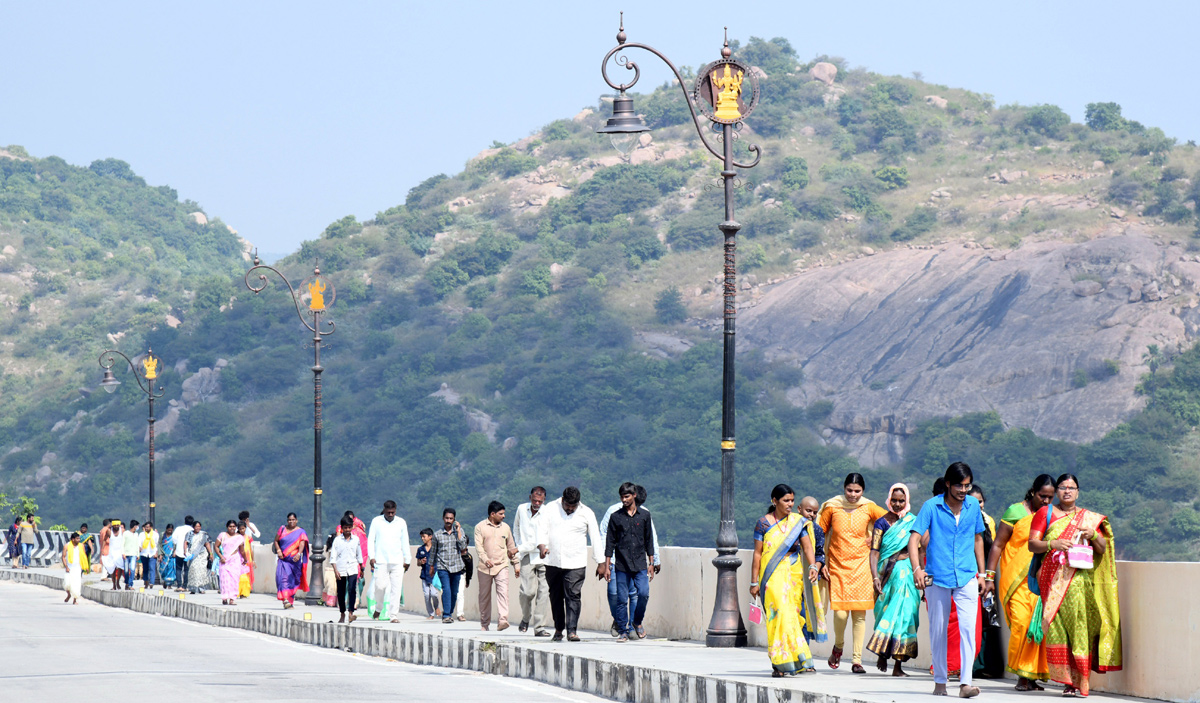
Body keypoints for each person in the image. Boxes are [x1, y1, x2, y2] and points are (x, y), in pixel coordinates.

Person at [1028, 474, 1122, 697]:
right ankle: (1069, 682)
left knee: (1080, 629)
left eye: (1071, 488)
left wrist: (1093, 535)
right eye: (1062, 487)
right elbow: (1033, 544)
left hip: (1079, 582)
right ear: (1057, 491)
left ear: (1078, 492)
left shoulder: (1088, 519)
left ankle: (1083, 680)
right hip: (1052, 581)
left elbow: (1102, 548)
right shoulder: (1045, 513)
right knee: (1057, 630)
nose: (1067, 491)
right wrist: (1054, 543)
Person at [909, 462, 990, 698]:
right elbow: (914, 539)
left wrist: (983, 575)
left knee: (967, 630)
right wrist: (917, 570)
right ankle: (940, 682)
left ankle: (965, 683)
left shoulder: (973, 505)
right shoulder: (931, 507)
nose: (964, 491)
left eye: (967, 486)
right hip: (938, 576)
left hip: (967, 575)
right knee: (938, 631)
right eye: (959, 486)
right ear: (947, 484)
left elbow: (978, 539)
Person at [986, 474, 1055, 690]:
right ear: (1033, 492)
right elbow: (998, 545)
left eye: (1050, 497)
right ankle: (1020, 676)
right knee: (1021, 623)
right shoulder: (1015, 512)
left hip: (1039, 580)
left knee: (1037, 627)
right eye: (1042, 496)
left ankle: (1031, 676)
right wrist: (989, 576)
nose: (1045, 501)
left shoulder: (1052, 515)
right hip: (1015, 579)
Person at [819, 473, 888, 672]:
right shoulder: (832, 507)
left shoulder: (869, 507)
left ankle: (857, 661)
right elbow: (819, 532)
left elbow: (889, 522)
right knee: (840, 614)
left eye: (857, 491)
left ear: (863, 491)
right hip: (837, 566)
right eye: (849, 490)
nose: (853, 495)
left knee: (859, 615)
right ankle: (838, 647)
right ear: (844, 489)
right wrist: (821, 561)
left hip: (862, 566)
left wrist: (874, 538)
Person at [749, 484, 819, 676]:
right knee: (778, 615)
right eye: (786, 501)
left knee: (792, 616)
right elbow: (757, 554)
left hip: (793, 575)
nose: (790, 504)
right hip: (771, 576)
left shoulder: (797, 522)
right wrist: (754, 582)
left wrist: (813, 566)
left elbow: (807, 548)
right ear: (774, 501)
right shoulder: (763, 523)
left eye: (792, 501)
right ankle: (779, 662)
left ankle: (795, 660)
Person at [536, 486, 604, 642]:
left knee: (573, 596)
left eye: (574, 507)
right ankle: (559, 629)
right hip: (553, 561)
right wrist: (541, 546)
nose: (571, 509)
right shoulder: (550, 509)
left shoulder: (587, 513)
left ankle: (572, 630)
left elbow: (595, 537)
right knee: (556, 596)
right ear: (562, 500)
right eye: (568, 506)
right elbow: (541, 530)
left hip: (576, 562)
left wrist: (600, 562)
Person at [866, 483, 921, 676]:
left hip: (907, 573)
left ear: (907, 501)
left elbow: (921, 549)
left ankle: (898, 666)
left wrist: (921, 573)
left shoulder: (914, 522)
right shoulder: (881, 523)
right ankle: (882, 652)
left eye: (901, 501)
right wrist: (875, 577)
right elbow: (874, 552)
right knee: (886, 613)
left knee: (905, 615)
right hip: (885, 574)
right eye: (894, 500)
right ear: (889, 500)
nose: (897, 504)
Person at [599, 484, 662, 638]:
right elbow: (607, 540)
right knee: (618, 596)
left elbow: (650, 539)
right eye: (622, 497)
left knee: (642, 593)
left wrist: (653, 562)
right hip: (619, 563)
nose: (624, 500)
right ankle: (622, 628)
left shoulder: (645, 515)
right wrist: (606, 564)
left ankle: (636, 622)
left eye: (627, 497)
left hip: (640, 563)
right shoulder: (614, 514)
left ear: (635, 496)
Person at [969, 486, 1004, 680]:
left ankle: (987, 664)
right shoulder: (963, 520)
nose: (978, 505)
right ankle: (973, 665)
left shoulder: (989, 520)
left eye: (980, 501)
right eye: (973, 501)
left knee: (987, 619)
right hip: (969, 574)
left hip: (986, 576)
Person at [475, 501, 521, 631]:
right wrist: (485, 559)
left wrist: (516, 564)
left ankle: (503, 620)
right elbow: (479, 547)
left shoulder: (505, 528)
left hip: (502, 565)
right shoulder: (480, 527)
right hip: (484, 568)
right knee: (484, 596)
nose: (503, 516)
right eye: (501, 514)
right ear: (492, 514)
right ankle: (485, 624)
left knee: (503, 593)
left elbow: (511, 547)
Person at [513, 486, 551, 636]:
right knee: (527, 592)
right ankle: (525, 617)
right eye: (534, 500)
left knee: (544, 592)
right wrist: (519, 545)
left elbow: (541, 537)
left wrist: (519, 548)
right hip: (527, 555)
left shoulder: (547, 512)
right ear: (530, 498)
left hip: (543, 555)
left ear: (544, 500)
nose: (536, 503)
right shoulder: (522, 509)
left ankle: (539, 627)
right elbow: (516, 527)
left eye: (539, 501)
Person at [366, 500, 411, 622]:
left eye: (393, 512)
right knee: (380, 587)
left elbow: (405, 541)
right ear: (384, 510)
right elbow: (371, 540)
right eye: (388, 512)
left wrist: (408, 559)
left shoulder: (401, 522)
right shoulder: (377, 521)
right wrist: (372, 557)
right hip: (381, 560)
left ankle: (393, 615)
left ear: (395, 510)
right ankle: (379, 608)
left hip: (397, 561)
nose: (391, 514)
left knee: (396, 589)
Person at [797, 496, 828, 644]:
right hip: (791, 577)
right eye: (808, 511)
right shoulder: (790, 527)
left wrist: (815, 568)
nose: (812, 515)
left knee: (806, 615)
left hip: (808, 579)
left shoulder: (816, 529)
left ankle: (805, 656)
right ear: (799, 509)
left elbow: (820, 555)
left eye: (815, 512)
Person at [431, 508, 469, 624]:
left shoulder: (459, 532)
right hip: (443, 566)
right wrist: (431, 567)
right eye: (447, 518)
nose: (448, 520)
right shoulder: (437, 535)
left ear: (454, 520)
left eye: (451, 518)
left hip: (457, 566)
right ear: (443, 518)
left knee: (454, 592)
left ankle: (449, 612)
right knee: (446, 589)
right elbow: (433, 551)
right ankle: (446, 614)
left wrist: (458, 532)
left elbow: (463, 547)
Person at [331, 515, 364, 623]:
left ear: (352, 527)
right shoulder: (337, 540)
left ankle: (351, 613)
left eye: (349, 527)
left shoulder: (356, 539)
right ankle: (342, 613)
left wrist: (362, 568)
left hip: (353, 568)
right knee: (341, 592)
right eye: (345, 528)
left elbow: (359, 555)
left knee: (352, 590)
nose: (347, 530)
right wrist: (335, 571)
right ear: (342, 528)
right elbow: (333, 557)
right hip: (340, 569)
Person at [273, 513, 309, 608]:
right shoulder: (282, 529)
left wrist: (299, 554)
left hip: (295, 561)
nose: (291, 521)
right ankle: (285, 600)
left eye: (293, 520)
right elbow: (276, 540)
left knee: (292, 581)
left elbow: (302, 543)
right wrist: (279, 550)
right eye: (289, 520)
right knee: (282, 579)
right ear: (287, 520)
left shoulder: (301, 531)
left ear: (296, 520)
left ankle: (290, 602)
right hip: (283, 560)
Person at [216, 520, 246, 605]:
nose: (232, 528)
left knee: (234, 579)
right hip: (224, 560)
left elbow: (242, 550)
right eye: (230, 526)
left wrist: (245, 559)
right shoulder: (222, 535)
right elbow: (216, 546)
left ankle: (232, 598)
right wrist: (221, 556)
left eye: (234, 526)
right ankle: (225, 597)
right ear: (227, 527)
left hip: (234, 560)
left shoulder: (239, 537)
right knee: (224, 579)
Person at [415, 528, 441, 619]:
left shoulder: (436, 548)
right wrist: (421, 562)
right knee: (427, 595)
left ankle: (436, 606)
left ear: (430, 537)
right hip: (424, 575)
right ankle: (431, 614)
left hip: (434, 575)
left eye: (424, 536)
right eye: (421, 537)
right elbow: (418, 563)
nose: (422, 538)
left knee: (434, 594)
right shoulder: (420, 549)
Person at [186, 521, 213, 595]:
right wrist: (185, 552)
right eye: (196, 526)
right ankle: (193, 588)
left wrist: (211, 553)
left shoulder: (203, 534)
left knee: (202, 571)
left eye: (199, 526)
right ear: (193, 527)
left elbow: (207, 544)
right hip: (192, 554)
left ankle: (201, 588)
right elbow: (186, 543)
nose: (198, 528)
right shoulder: (189, 534)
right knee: (193, 570)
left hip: (202, 555)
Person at [61, 532, 85, 604]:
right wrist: (66, 566)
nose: (79, 540)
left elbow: (83, 556)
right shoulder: (67, 546)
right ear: (73, 539)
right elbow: (63, 557)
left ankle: (75, 600)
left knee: (76, 583)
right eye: (77, 539)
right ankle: (69, 595)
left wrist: (85, 566)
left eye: (79, 538)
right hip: (70, 566)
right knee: (67, 583)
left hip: (78, 567)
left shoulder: (81, 546)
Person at [103, 520, 125, 589]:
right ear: (112, 525)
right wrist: (103, 550)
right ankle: (114, 585)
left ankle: (118, 582)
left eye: (117, 525)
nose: (116, 526)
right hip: (112, 552)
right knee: (112, 569)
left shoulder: (122, 531)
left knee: (120, 568)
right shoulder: (109, 531)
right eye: (115, 525)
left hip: (120, 552)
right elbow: (104, 539)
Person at [174, 516, 194, 591]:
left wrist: (177, 544)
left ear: (185, 521)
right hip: (189, 553)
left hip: (179, 551)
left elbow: (174, 538)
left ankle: (179, 585)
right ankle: (185, 586)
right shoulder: (192, 530)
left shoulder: (178, 528)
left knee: (178, 568)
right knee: (186, 569)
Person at [139, 521, 160, 588]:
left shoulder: (155, 534)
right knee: (145, 568)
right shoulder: (142, 534)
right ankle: (146, 581)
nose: (146, 528)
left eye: (148, 527)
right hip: (144, 553)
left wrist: (157, 553)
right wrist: (139, 548)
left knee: (152, 568)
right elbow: (139, 543)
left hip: (152, 553)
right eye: (145, 527)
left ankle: (152, 582)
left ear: (151, 527)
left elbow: (157, 544)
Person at [237, 521, 255, 597]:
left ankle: (244, 592)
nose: (242, 530)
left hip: (248, 558)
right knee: (240, 576)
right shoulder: (236, 537)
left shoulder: (248, 537)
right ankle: (239, 592)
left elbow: (250, 549)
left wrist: (253, 560)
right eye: (240, 529)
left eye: (243, 528)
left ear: (245, 528)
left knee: (247, 576)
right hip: (239, 558)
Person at [123, 520, 141, 588]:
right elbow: (123, 544)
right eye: (137, 526)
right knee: (126, 570)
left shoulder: (136, 534)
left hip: (134, 554)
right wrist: (123, 553)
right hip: (126, 554)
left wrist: (138, 554)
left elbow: (137, 544)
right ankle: (127, 582)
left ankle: (130, 584)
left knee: (133, 569)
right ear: (134, 526)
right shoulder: (126, 533)